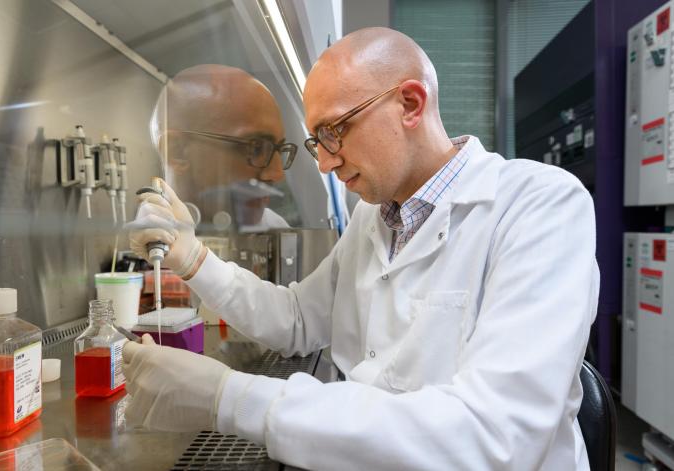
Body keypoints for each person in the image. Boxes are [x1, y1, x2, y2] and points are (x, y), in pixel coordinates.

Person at [124, 27, 599, 470]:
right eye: (317, 142)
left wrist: (228, 397)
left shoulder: (539, 206)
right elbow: (296, 320)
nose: (327, 163)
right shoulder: (373, 216)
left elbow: (495, 435)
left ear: (410, 103)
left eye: (335, 131)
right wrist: (193, 259)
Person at [151, 64, 296, 232]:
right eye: (256, 148)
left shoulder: (273, 226)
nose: (278, 174)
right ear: (177, 152)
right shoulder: (144, 241)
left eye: (278, 150)